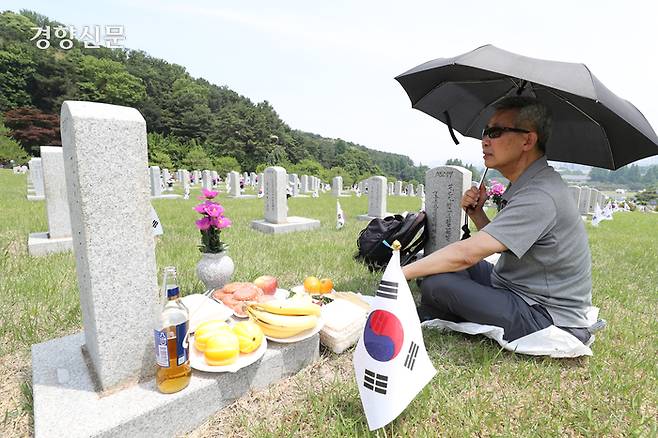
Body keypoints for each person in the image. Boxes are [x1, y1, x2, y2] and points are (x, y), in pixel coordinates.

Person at [402, 96, 592, 344]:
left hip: (544, 313)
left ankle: (449, 309)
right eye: (485, 132)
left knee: (437, 283)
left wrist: (398, 274)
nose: (485, 140)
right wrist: (478, 214)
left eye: (496, 132)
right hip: (514, 286)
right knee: (439, 263)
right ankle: (453, 308)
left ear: (528, 140)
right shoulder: (531, 183)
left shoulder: (540, 195)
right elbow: (508, 246)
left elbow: (467, 254)